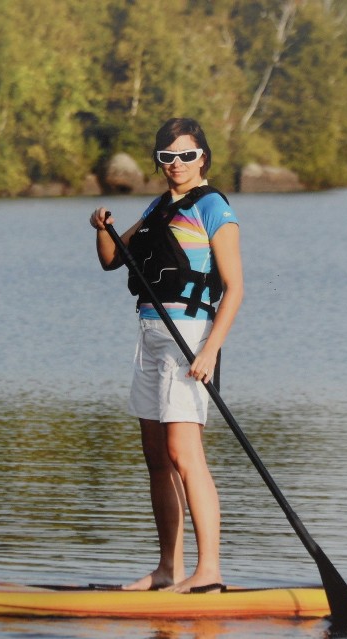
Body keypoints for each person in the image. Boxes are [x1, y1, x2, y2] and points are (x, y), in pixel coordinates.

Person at [89, 118, 243, 594]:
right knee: (156, 455)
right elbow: (111, 259)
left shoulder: (214, 207)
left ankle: (209, 571)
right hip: (151, 336)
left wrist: (210, 351)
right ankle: (167, 570)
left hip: (191, 337)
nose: (177, 165)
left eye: (186, 156)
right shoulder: (158, 207)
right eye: (167, 158)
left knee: (183, 452)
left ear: (203, 158)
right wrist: (102, 227)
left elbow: (235, 289)